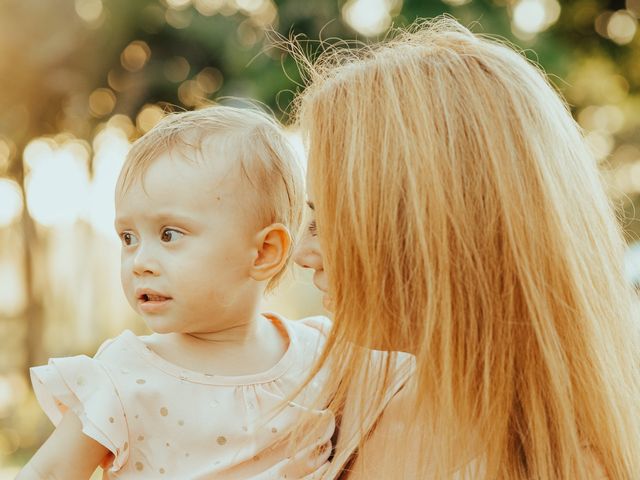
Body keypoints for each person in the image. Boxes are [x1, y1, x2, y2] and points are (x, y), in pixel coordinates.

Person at [292, 16, 640, 479]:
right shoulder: (344, 403)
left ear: (429, 228)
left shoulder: (572, 465)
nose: (302, 253)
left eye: (327, 220)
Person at [18, 105, 337, 479]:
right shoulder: (124, 373)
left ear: (265, 252)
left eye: (169, 234)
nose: (140, 262)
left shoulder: (320, 352)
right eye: (128, 238)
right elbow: (50, 473)